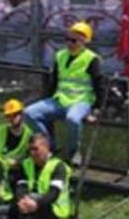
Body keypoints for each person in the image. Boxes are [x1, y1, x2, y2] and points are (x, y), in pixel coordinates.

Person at [24, 22, 104, 164]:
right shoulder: (59, 55)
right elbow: (53, 81)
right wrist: (46, 100)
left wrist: (96, 109)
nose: (69, 43)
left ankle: (74, 153)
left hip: (81, 101)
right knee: (29, 113)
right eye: (67, 39)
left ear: (85, 41)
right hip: (59, 99)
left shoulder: (92, 59)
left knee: (72, 119)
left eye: (74, 40)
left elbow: (99, 85)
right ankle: (49, 147)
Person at [0, 133, 72, 219]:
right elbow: (21, 187)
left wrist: (36, 204)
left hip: (54, 209)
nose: (32, 153)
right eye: (30, 149)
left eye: (35, 149)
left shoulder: (58, 166)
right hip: (29, 204)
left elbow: (53, 193)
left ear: (47, 148)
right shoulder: (26, 163)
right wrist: (22, 201)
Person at [0, 99, 34, 166]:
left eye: (15, 115)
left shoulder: (29, 135)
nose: (11, 118)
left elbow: (30, 156)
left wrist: (18, 163)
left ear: (21, 115)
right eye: (8, 116)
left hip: (18, 171)